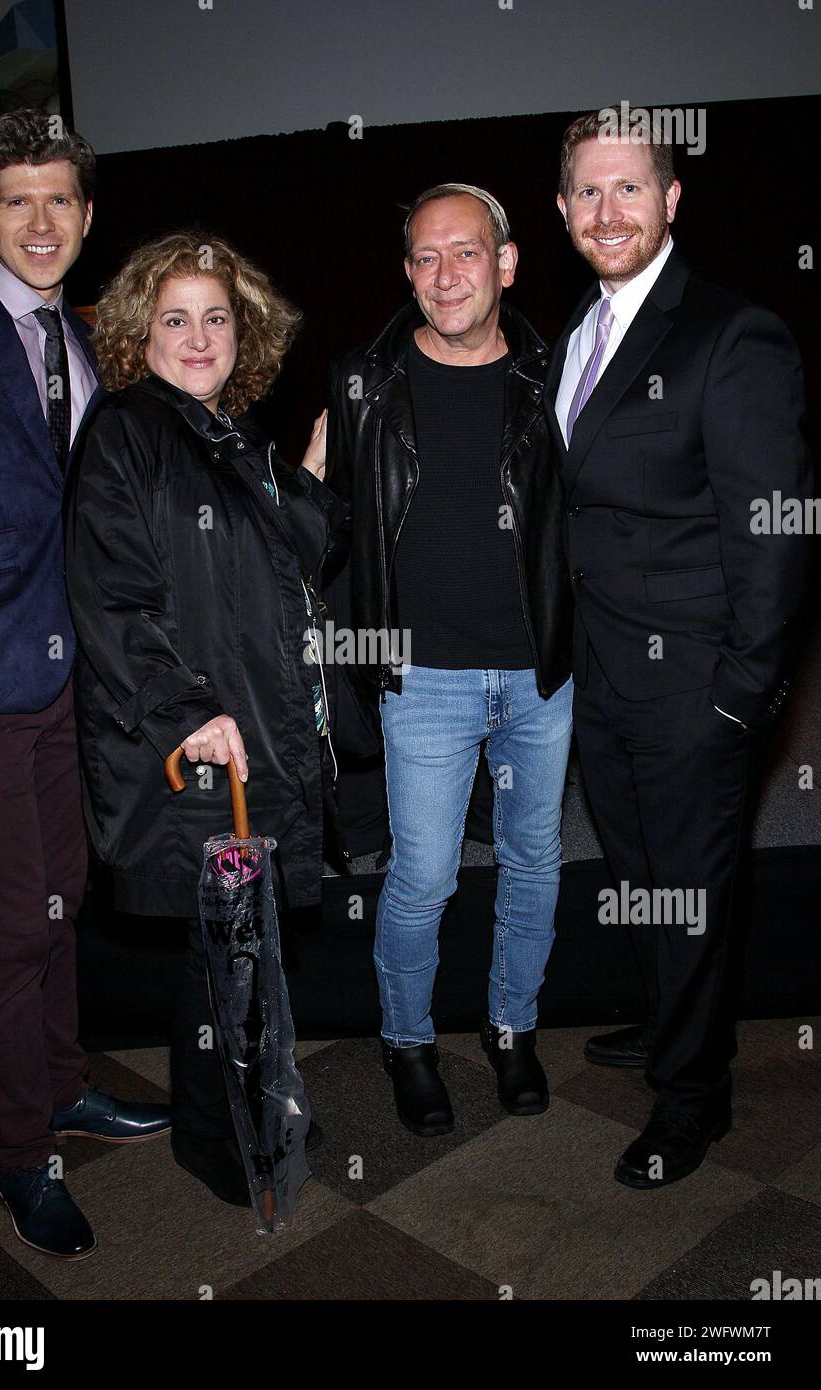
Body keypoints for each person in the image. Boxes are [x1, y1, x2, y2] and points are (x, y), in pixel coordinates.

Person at [0, 109, 169, 1262]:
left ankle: (59, 1085)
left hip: (71, 676)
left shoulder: (84, 336)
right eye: (18, 200)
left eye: (61, 199)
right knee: (11, 928)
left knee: (65, 892)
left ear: (88, 214)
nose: (42, 220)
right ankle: (20, 1155)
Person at [549, 109, 812, 1187]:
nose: (608, 211)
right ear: (562, 211)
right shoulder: (576, 325)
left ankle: (692, 1101)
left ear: (670, 199)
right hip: (602, 682)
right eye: (587, 193)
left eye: (629, 188)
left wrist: (740, 698)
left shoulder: (730, 334)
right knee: (645, 878)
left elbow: (776, 528)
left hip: (695, 687)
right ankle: (672, 1024)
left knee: (691, 892)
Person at [64, 231, 342, 1205]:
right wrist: (188, 712)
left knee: (237, 942)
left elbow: (289, 568)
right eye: (175, 317)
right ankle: (235, 1147)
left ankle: (239, 1120)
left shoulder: (231, 436)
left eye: (215, 317)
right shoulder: (127, 431)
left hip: (253, 736)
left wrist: (302, 480)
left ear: (243, 331)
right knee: (221, 952)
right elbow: (115, 595)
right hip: (190, 749)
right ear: (142, 331)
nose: (197, 335)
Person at [325, 184, 573, 1136]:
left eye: (466, 253)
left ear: (506, 262)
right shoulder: (364, 382)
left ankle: (513, 1030)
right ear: (407, 272)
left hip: (539, 676)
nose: (445, 275)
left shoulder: (558, 375)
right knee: (422, 876)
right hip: (422, 681)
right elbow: (325, 523)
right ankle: (409, 1042)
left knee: (533, 863)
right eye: (426, 258)